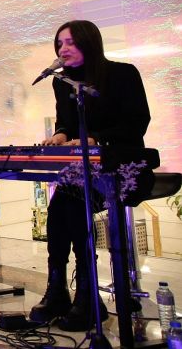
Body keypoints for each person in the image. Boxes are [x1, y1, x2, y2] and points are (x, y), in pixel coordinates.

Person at [30, 20, 150, 331]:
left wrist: (95, 139)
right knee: (60, 205)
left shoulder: (123, 74)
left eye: (70, 42)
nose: (63, 49)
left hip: (124, 166)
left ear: (89, 43)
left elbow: (137, 123)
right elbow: (66, 123)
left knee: (71, 202)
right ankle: (58, 288)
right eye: (59, 43)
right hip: (85, 172)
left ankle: (86, 292)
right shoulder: (62, 82)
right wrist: (60, 135)